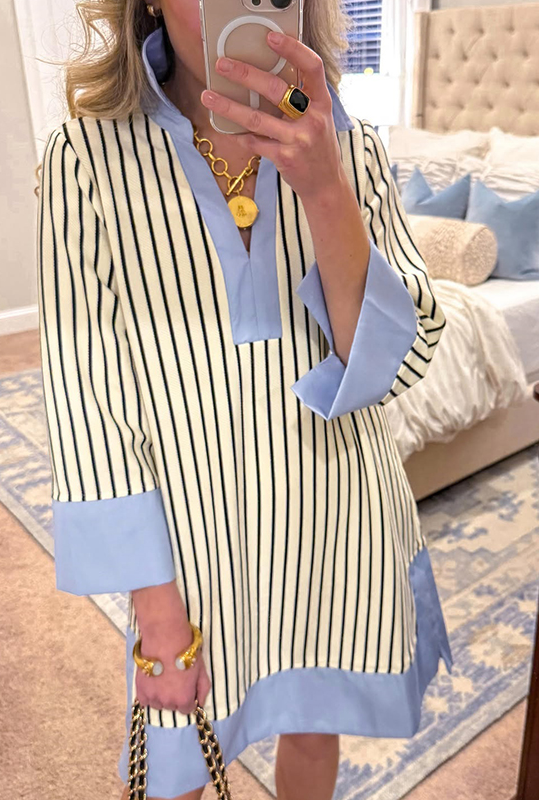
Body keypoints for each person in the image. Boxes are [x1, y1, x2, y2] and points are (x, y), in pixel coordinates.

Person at [35, 1, 453, 798]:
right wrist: (156, 607)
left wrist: (325, 188)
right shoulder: (84, 159)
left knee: (315, 720)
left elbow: (398, 359)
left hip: (338, 518)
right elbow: (86, 395)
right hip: (191, 543)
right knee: (178, 761)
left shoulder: (352, 147)